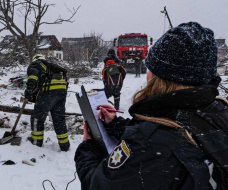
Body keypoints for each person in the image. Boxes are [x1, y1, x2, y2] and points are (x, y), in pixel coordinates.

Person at [75, 22, 228, 189]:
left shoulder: (152, 146)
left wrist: (88, 148)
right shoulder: (218, 112)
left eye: (150, 67)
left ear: (159, 77)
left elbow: (97, 184)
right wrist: (116, 124)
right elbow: (168, 127)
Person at [25, 54, 70, 151]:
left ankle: (37, 143)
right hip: (61, 92)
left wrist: (28, 90)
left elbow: (33, 77)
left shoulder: (35, 65)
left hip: (48, 92)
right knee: (59, 119)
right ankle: (65, 145)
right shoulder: (51, 66)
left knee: (37, 118)